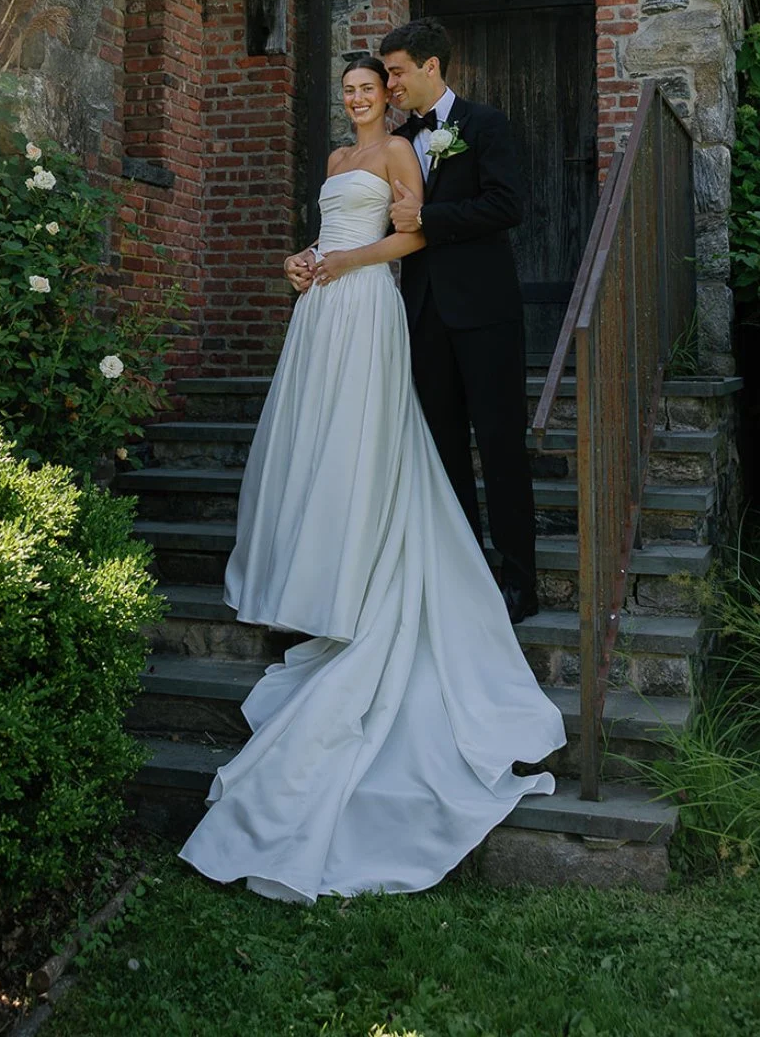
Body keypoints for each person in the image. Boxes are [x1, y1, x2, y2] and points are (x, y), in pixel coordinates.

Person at [179, 56, 564, 903]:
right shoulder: (330, 163)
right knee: (315, 435)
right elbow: (333, 234)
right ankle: (308, 556)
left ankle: (373, 561)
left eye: (370, 88)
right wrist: (304, 260)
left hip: (370, 304)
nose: (359, 98)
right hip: (322, 308)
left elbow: (414, 234)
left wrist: (349, 265)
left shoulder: (400, 153)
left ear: (391, 92)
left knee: (371, 433)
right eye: (350, 90)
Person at [379, 18, 539, 625]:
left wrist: (430, 218)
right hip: (423, 315)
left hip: (486, 312)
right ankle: (466, 573)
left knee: (500, 447)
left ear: (430, 67)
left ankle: (520, 582)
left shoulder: (485, 124)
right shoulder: (402, 139)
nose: (390, 83)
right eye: (387, 72)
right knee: (443, 450)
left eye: (396, 71)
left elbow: (507, 205)